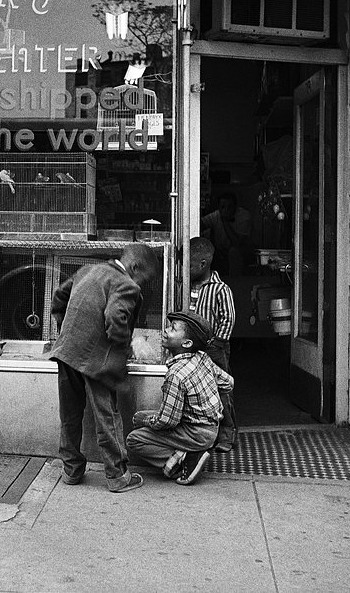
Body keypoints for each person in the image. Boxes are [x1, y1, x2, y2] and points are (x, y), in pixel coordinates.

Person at [50, 243, 159, 493]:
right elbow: (115, 318)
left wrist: (67, 329)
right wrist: (124, 344)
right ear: (134, 267)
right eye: (146, 278)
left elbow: (59, 297)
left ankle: (71, 470)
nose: (143, 284)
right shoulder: (126, 284)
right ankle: (117, 475)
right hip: (96, 361)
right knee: (107, 416)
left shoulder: (88, 270)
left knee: (70, 415)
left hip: (67, 352)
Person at [126, 310, 234, 485]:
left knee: (134, 438)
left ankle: (185, 460)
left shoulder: (176, 374)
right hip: (213, 428)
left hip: (196, 433)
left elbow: (168, 422)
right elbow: (228, 383)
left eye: (173, 329)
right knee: (143, 415)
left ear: (187, 343)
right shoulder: (202, 357)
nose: (166, 330)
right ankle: (187, 452)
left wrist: (145, 421)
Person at [189, 236, 238, 452]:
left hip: (215, 348)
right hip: (191, 348)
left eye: (189, 265)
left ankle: (227, 434)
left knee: (221, 391)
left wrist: (217, 342)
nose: (185, 269)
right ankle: (201, 433)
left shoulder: (220, 289)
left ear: (203, 264)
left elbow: (228, 318)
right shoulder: (185, 285)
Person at [200, 191, 252, 276]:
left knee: (233, 252)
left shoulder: (244, 216)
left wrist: (224, 221)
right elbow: (201, 223)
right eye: (223, 207)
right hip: (220, 251)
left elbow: (236, 242)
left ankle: (235, 281)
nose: (226, 210)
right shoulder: (216, 215)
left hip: (242, 251)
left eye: (229, 207)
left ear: (235, 207)